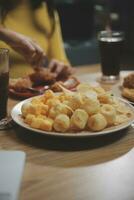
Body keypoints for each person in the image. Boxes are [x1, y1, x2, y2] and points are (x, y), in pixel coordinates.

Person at [0, 0, 73, 78]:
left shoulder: (46, 9)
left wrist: (62, 68)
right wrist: (3, 34)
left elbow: (61, 61)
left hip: (39, 89)